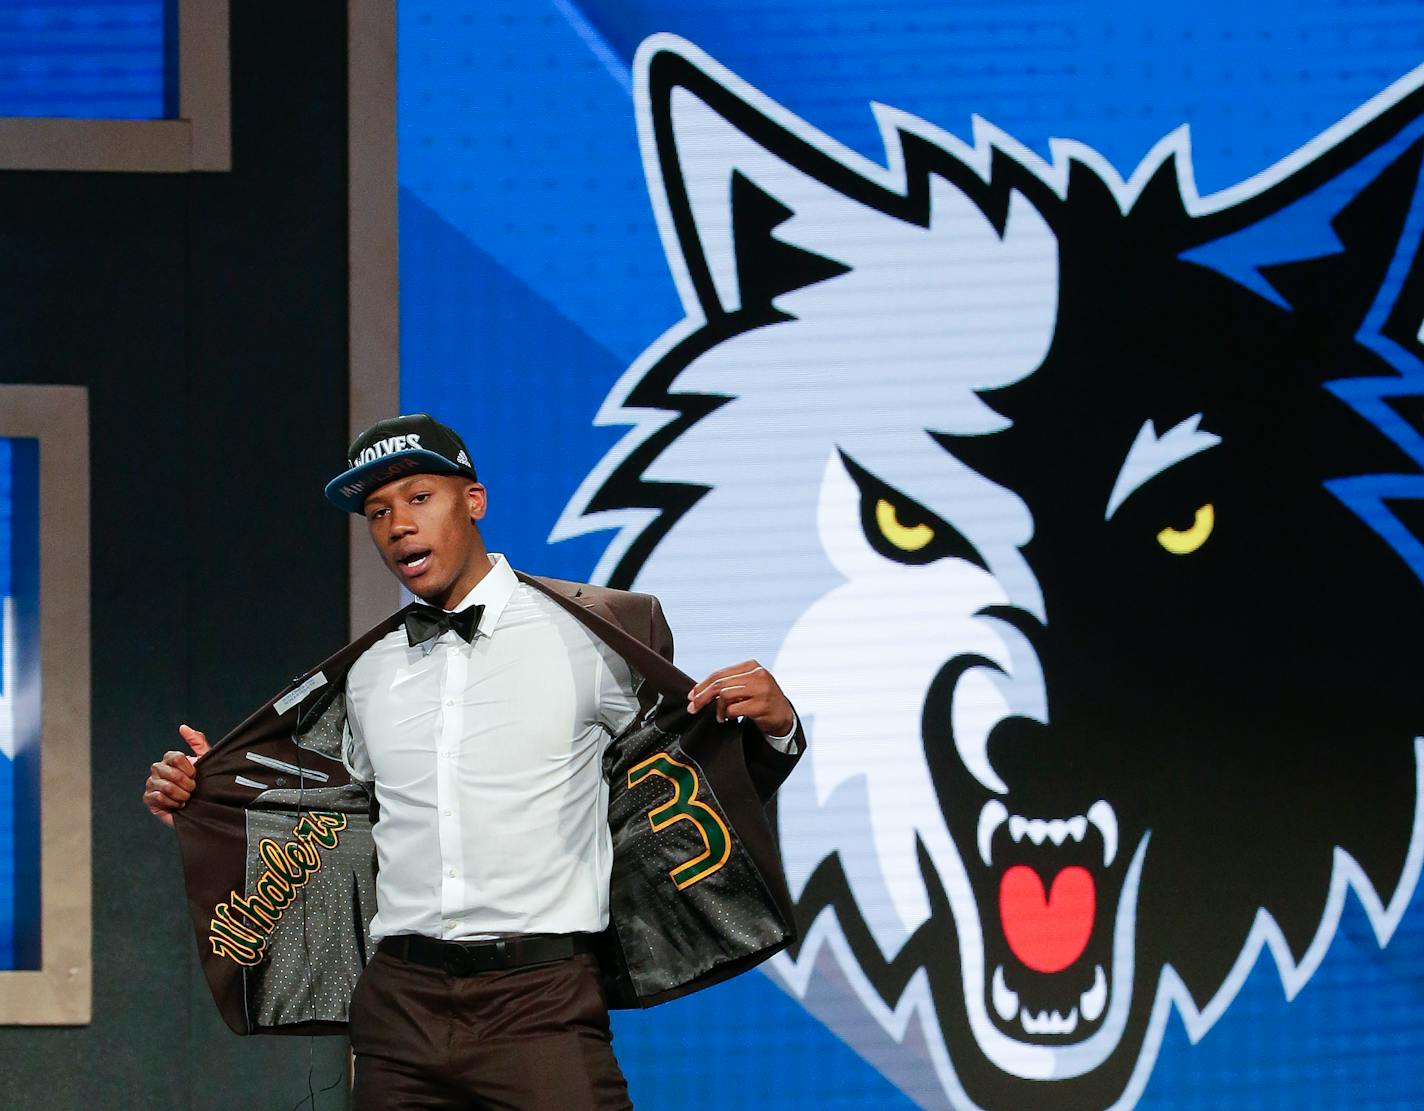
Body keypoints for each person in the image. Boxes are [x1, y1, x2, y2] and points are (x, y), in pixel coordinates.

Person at [143, 413, 804, 1110]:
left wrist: (777, 727)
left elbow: (683, 768)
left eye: (419, 498)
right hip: (399, 1007)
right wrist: (209, 795)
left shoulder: (589, 639)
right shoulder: (366, 673)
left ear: (475, 501)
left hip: (540, 1001)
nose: (398, 524)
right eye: (377, 512)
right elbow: (328, 810)